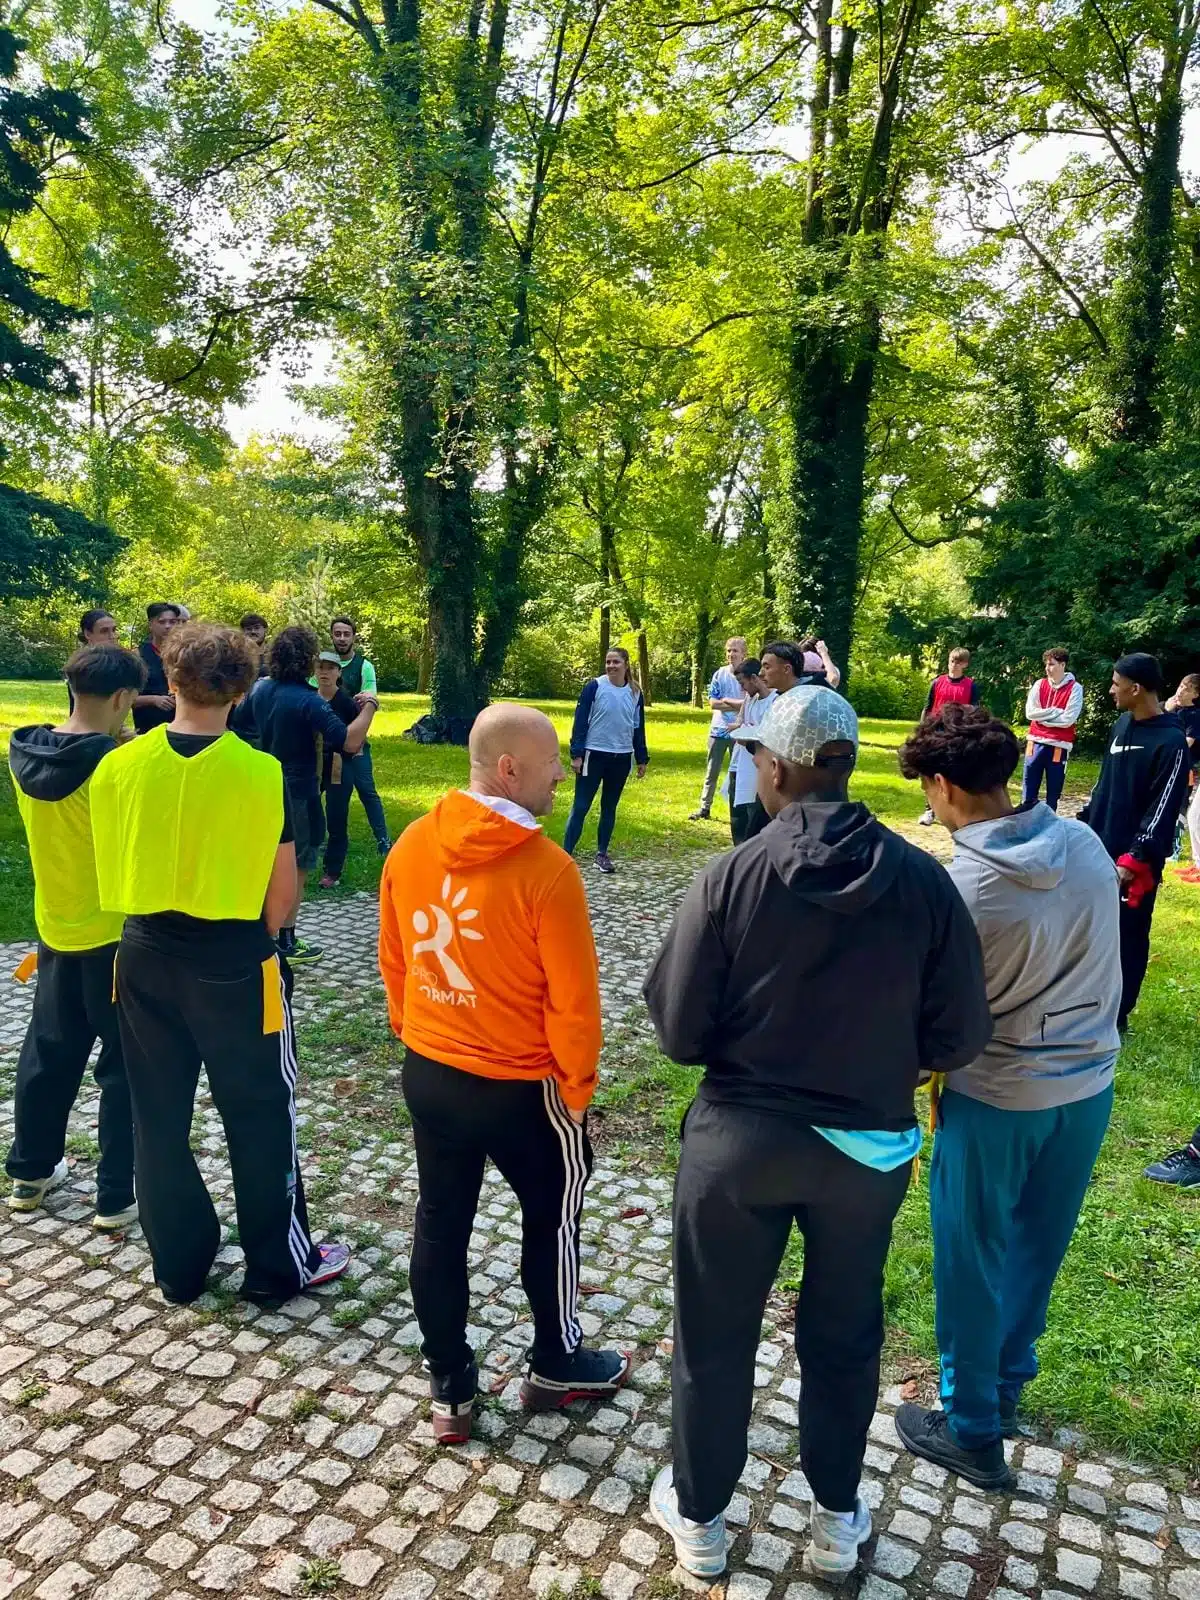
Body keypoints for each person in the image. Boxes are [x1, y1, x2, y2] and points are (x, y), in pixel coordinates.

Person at [642, 687, 992, 1580]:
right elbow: (960, 1035)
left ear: (776, 767)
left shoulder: (733, 874)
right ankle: (837, 1521)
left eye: (757, 757)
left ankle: (703, 1521)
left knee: (714, 1333)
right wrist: (892, 1059)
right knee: (844, 1335)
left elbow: (679, 1033)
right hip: (863, 1154)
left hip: (740, 1147)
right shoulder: (923, 881)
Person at [378, 703, 630, 1442]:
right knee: (550, 1223)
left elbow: (395, 960)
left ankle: (450, 1390)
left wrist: (417, 1032)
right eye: (554, 761)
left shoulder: (411, 845)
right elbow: (575, 1007)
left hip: (431, 1073)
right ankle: (556, 1363)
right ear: (509, 768)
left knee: (439, 1223)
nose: (565, 773)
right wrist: (577, 1090)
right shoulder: (548, 871)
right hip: (524, 1091)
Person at [89, 624, 351, 1307]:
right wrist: (259, 939)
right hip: (234, 958)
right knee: (262, 1113)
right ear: (242, 688)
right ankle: (275, 1267)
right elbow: (283, 892)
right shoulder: (260, 771)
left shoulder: (118, 766)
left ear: (169, 680)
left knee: (158, 1115)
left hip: (142, 952)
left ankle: (179, 1264)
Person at [894, 703, 1120, 1487]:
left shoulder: (960, 890)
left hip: (1000, 1096)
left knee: (971, 1257)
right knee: (1036, 1248)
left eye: (927, 790)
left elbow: (936, 1021)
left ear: (946, 785)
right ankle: (1008, 1389)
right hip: (1089, 1087)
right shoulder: (1086, 842)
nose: (928, 803)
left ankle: (972, 1427)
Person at [6, 645, 146, 1229]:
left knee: (47, 1054)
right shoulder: (111, 766)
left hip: (54, 928)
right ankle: (115, 1197)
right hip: (113, 936)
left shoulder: (22, 751)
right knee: (123, 1066)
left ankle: (29, 1172)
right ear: (120, 698)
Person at [241, 625, 378, 963]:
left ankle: (257, 932)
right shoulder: (307, 700)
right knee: (296, 866)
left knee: (261, 861)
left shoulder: (259, 689)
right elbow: (349, 740)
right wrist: (370, 706)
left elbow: (238, 726)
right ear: (308, 661)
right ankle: (285, 941)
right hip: (298, 794)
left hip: (259, 787)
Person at [1078, 652, 1187, 1031]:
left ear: (1136, 688)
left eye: (1115, 682)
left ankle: (1118, 1013)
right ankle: (1088, 1002)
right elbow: (1104, 786)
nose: (1111, 689)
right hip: (1098, 849)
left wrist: (1135, 857)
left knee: (1128, 934)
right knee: (1091, 932)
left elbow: (1164, 805)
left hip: (1134, 865)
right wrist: (1084, 826)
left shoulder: (1172, 742)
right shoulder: (1121, 725)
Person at [563, 647, 648, 874]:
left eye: (616, 662)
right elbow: (580, 721)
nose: (611, 666)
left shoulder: (635, 692)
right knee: (581, 806)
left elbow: (638, 728)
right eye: (608, 662)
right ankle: (564, 854)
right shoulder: (595, 687)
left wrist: (641, 758)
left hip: (621, 757)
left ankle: (601, 854)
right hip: (594, 754)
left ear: (626, 665)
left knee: (609, 807)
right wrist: (577, 754)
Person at [324, 618, 391, 862]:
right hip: (328, 742)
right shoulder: (324, 665)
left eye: (346, 634)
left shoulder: (364, 666)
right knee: (327, 793)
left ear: (354, 636)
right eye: (337, 633)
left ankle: (383, 839)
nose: (341, 638)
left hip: (357, 742)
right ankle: (326, 840)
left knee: (367, 790)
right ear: (331, 636)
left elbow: (369, 696)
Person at [314, 652, 368, 887]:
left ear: (339, 672)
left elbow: (358, 735)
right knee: (306, 813)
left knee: (336, 817)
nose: (325, 673)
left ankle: (332, 871)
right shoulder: (309, 699)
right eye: (320, 668)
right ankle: (301, 861)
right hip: (310, 764)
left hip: (337, 762)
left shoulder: (346, 703)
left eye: (330, 668)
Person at [917, 648, 980, 823]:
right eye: (952, 661)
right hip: (936, 732)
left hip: (957, 733)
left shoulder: (970, 685)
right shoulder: (937, 682)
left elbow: (975, 709)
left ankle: (955, 809)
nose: (954, 665)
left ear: (965, 665)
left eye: (958, 662)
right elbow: (928, 707)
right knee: (931, 771)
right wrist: (923, 729)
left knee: (954, 771)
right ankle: (929, 810)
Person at [689, 636, 747, 822]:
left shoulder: (748, 675)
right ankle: (705, 807)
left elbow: (750, 702)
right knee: (711, 771)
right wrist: (737, 704)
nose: (731, 654)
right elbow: (713, 703)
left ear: (743, 654)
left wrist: (729, 703)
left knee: (738, 772)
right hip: (719, 729)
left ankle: (738, 810)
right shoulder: (719, 674)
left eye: (735, 650)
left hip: (740, 729)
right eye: (729, 650)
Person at [1021, 647, 1084, 812]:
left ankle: (1049, 827)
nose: (1047, 668)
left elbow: (1068, 720)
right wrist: (1054, 712)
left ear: (1062, 665)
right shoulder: (1039, 684)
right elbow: (1030, 713)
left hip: (1059, 745)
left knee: (1053, 793)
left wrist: (1042, 718)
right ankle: (1026, 822)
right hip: (1034, 742)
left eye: (1051, 664)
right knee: (1028, 789)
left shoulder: (1075, 688)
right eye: (1046, 665)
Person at [726, 657, 774, 844]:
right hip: (739, 762)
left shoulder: (774, 700)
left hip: (758, 765)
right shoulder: (750, 699)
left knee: (753, 814)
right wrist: (738, 727)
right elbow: (740, 721)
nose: (742, 688)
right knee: (737, 814)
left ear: (754, 678)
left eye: (742, 683)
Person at [1166, 672, 1200, 873]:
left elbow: (1186, 743)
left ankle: (1179, 852)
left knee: (1188, 813)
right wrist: (1167, 710)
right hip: (1173, 767)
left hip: (1187, 769)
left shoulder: (1196, 715)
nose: (1180, 690)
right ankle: (1196, 863)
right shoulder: (1172, 709)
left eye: (1187, 688)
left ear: (1196, 694)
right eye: (1180, 685)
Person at [132, 602, 181, 734]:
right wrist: (153, 700)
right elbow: (125, 698)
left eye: (172, 622)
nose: (168, 626)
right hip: (148, 728)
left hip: (180, 727)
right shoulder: (137, 655)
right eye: (162, 622)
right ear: (150, 625)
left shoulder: (184, 653)